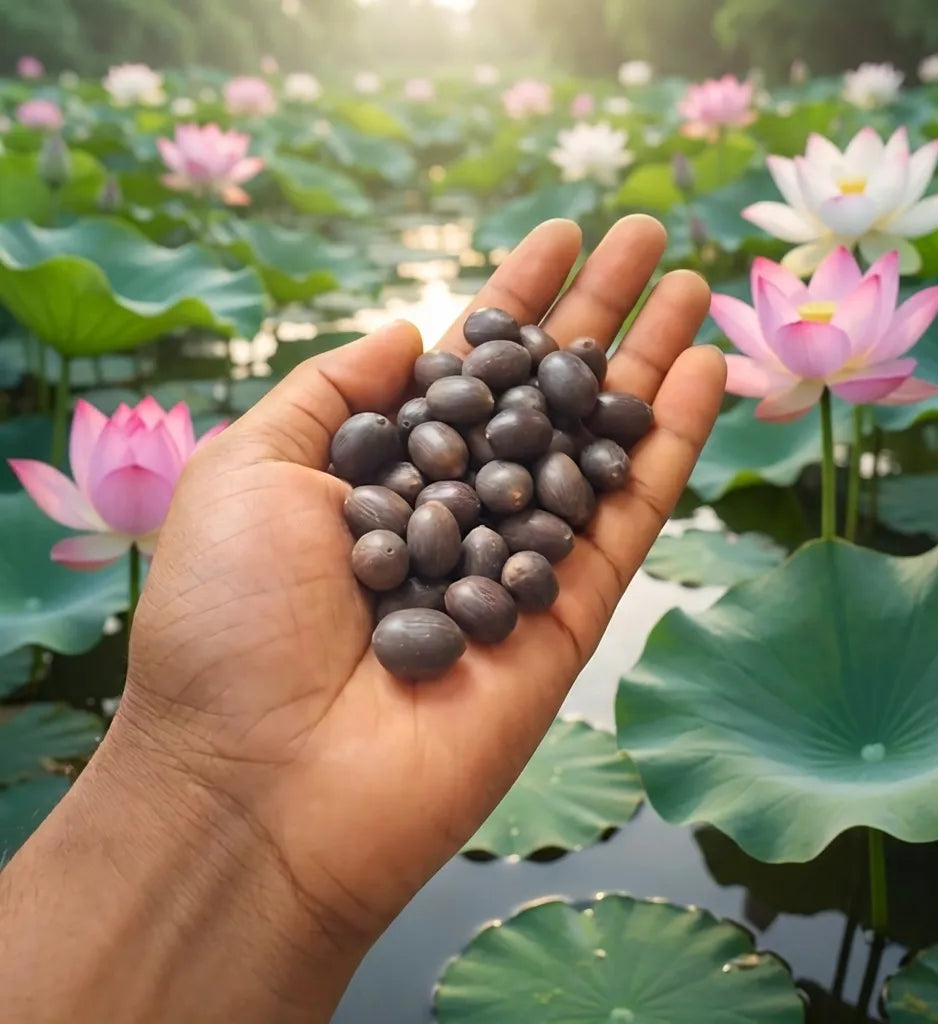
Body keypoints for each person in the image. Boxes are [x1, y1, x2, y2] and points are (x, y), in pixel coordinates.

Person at [0, 215, 725, 1022]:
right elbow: (461, 502)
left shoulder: (503, 466)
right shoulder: (437, 493)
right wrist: (191, 776)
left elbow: (494, 500)